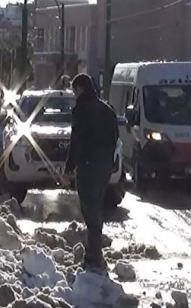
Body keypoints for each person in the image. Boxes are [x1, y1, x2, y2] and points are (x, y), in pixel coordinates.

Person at [64, 73, 119, 272]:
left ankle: (93, 256)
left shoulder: (81, 110)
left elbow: (76, 141)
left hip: (88, 166)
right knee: (96, 205)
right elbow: (115, 138)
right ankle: (95, 252)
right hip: (103, 166)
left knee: (90, 209)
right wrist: (110, 162)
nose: (74, 94)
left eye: (74, 90)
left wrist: (68, 168)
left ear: (80, 89)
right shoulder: (107, 110)